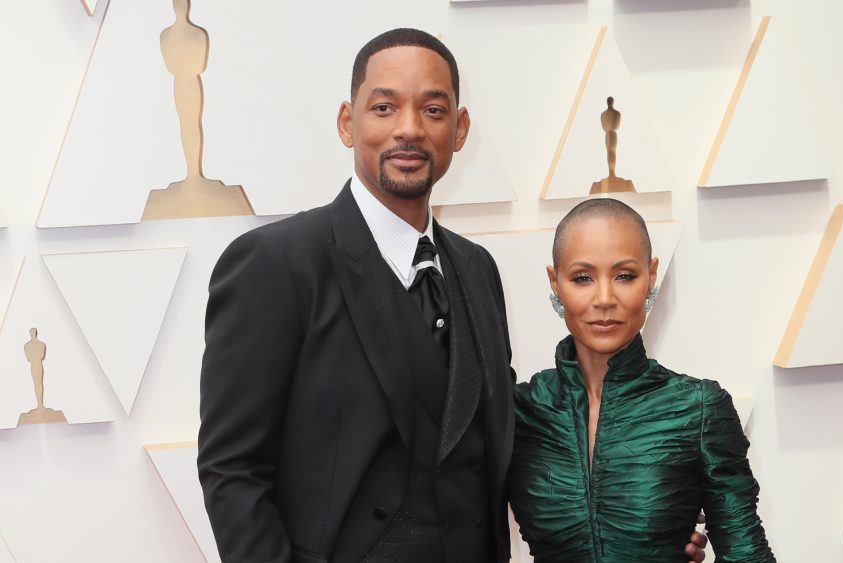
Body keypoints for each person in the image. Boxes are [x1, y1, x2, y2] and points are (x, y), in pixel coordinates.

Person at [197, 28, 708, 563]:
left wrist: (641, 527)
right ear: (349, 123)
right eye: (384, 108)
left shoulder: (476, 269)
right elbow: (232, 469)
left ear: (460, 130)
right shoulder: (274, 264)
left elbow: (502, 444)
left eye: (433, 110)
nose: (409, 130)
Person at [508, 199, 774, 562]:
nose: (604, 299)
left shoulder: (697, 407)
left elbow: (746, 554)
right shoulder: (518, 412)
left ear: (651, 276)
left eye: (625, 276)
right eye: (583, 277)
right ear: (555, 282)